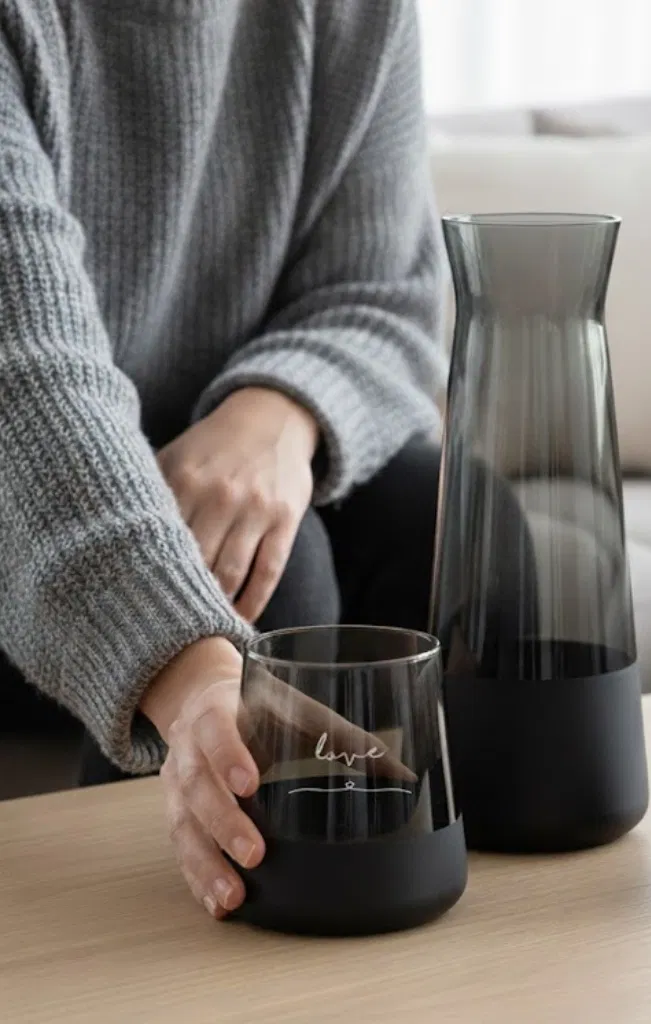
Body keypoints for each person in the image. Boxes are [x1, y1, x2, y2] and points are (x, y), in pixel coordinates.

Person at [0, 0, 446, 920]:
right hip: (27, 515)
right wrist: (192, 667)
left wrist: (275, 417)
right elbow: (25, 377)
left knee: (458, 526)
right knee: (270, 585)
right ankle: (157, 955)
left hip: (241, 434)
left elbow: (383, 296)